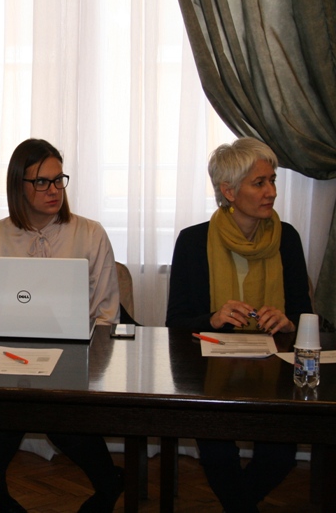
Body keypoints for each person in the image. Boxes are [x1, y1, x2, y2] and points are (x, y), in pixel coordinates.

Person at [0, 138, 123, 513]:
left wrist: (87, 362)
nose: (54, 190)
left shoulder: (90, 233)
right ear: (18, 186)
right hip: (9, 359)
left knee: (58, 415)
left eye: (59, 179)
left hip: (74, 359)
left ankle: (108, 486)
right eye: (41, 181)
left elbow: (107, 313)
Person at [166, 137, 312, 512]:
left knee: (280, 457)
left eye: (272, 180)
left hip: (276, 373)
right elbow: (175, 323)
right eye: (259, 183)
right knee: (218, 454)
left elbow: (305, 316)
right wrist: (212, 319)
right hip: (211, 374)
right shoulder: (193, 241)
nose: (271, 192)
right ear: (229, 191)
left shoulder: (288, 238)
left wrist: (288, 322)